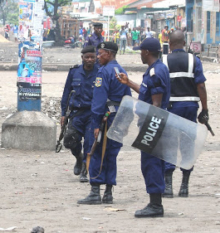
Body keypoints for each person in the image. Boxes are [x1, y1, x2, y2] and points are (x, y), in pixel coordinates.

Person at [117, 38, 170, 217]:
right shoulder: (156, 69)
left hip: (152, 123)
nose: (140, 53)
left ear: (147, 52)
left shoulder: (155, 72)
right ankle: (156, 202)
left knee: (151, 162)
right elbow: (148, 93)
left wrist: (151, 129)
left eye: (141, 51)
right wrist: (129, 83)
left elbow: (156, 103)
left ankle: (155, 205)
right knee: (154, 162)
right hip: (154, 123)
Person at [77, 42, 131, 205]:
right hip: (118, 116)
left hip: (105, 119)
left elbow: (99, 102)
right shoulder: (121, 71)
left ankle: (95, 191)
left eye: (100, 54)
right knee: (111, 155)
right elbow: (127, 97)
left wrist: (95, 124)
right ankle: (108, 192)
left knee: (97, 153)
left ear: (109, 53)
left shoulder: (104, 72)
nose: (98, 57)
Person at [161, 30, 209, 199]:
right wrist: (205, 109)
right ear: (184, 42)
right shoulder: (194, 60)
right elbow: (201, 86)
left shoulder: (164, 60)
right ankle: (184, 185)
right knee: (188, 144)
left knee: (169, 144)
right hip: (189, 106)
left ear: (170, 43)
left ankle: (168, 186)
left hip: (171, 106)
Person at [61, 46, 99, 182]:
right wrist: (63, 114)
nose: (89, 60)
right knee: (69, 140)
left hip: (92, 114)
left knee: (89, 143)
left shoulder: (100, 72)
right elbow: (66, 93)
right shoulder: (74, 72)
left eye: (92, 57)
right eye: (87, 57)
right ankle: (78, 157)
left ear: (96, 58)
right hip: (76, 113)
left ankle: (84, 170)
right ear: (82, 57)